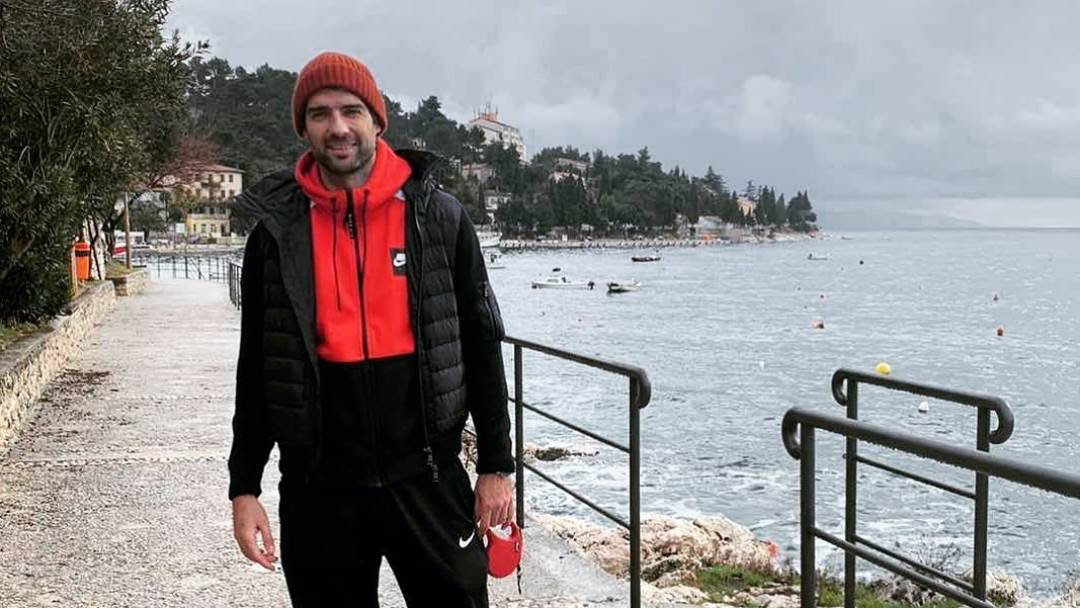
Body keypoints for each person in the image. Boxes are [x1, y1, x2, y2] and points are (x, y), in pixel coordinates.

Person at [227, 51, 515, 608]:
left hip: (428, 476)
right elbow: (257, 367)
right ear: (304, 128)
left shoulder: (439, 218)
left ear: (377, 120)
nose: (337, 127)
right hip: (318, 487)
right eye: (320, 114)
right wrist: (245, 486)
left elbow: (483, 346)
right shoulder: (276, 234)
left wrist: (496, 467)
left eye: (351, 110)